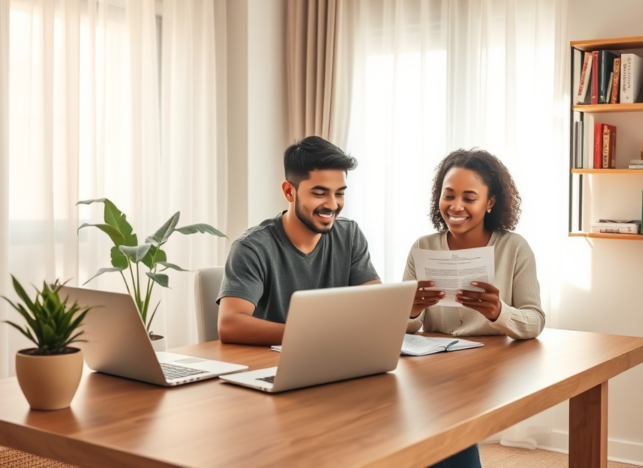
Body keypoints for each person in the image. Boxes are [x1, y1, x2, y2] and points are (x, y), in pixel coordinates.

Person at [403, 148, 546, 468]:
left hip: (493, 368)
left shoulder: (514, 247)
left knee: (444, 422)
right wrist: (410, 310)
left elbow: (534, 321)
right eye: (448, 195)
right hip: (434, 366)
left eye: (469, 198)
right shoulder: (422, 247)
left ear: (490, 202)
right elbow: (406, 327)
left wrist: (499, 312)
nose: (455, 206)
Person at [217, 136, 381, 345]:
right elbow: (230, 325)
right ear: (289, 191)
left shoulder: (349, 235)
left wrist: (407, 311)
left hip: (335, 356)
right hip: (269, 365)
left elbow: (375, 304)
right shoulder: (252, 248)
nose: (332, 205)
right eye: (320, 193)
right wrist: (312, 335)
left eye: (339, 194)